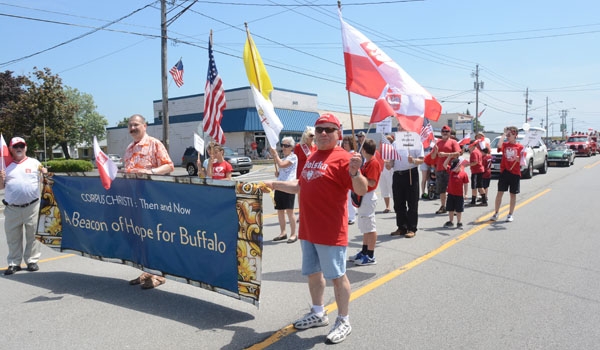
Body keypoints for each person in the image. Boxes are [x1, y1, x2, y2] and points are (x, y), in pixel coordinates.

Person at [263, 113, 367, 344]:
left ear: (338, 133)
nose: (322, 133)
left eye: (329, 129)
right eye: (319, 129)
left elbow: (360, 189)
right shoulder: (312, 156)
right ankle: (318, 312)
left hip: (330, 231)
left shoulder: (345, 158)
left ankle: (343, 320)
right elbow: (301, 185)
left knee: (337, 277)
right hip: (308, 229)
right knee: (313, 274)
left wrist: (355, 171)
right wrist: (274, 184)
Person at [124, 114, 175, 289]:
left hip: (152, 200)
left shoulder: (154, 143)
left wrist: (151, 173)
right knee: (140, 236)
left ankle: (158, 275)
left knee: (154, 236)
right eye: (130, 125)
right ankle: (147, 270)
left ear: (144, 126)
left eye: (136, 125)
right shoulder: (129, 148)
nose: (132, 128)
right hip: (133, 200)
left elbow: (169, 165)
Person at [1, 137, 47, 275]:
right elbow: (1, 187)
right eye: (15, 146)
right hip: (12, 208)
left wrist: (45, 174)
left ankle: (32, 261)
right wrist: (0, 178)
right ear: (10, 149)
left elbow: (46, 181)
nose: (19, 148)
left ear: (26, 147)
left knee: (33, 235)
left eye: (21, 145)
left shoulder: (34, 163)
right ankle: (14, 263)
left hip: (32, 206)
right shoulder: (4, 165)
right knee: (13, 237)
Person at [349, 138, 382, 266]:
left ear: (364, 150)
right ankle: (364, 251)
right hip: (364, 195)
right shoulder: (367, 162)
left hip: (368, 195)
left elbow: (372, 182)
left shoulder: (373, 163)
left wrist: (359, 177)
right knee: (364, 226)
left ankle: (371, 255)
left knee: (370, 226)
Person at [389, 131, 425, 239]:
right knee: (398, 203)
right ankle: (401, 227)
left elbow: (421, 160)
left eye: (403, 126)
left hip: (410, 173)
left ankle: (411, 228)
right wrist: (388, 164)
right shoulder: (395, 143)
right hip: (397, 175)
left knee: (412, 202)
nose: (401, 128)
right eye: (400, 126)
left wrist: (413, 160)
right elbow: (391, 161)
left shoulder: (416, 141)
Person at [491, 126, 524, 222]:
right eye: (507, 134)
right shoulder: (505, 145)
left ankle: (510, 214)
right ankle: (496, 213)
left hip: (515, 173)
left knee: (513, 194)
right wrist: (504, 134)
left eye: (510, 134)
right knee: (499, 193)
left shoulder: (520, 147)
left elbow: (523, 161)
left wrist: (519, 159)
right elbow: (498, 146)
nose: (508, 136)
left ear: (515, 135)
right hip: (505, 172)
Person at [270, 137, 298, 243]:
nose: (284, 147)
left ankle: (293, 234)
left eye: (286, 146)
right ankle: (283, 232)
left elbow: (282, 165)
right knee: (280, 210)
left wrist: (275, 154)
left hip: (289, 185)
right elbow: (282, 168)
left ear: (291, 147)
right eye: (282, 145)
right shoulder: (284, 157)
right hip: (280, 185)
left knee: (289, 211)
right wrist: (278, 173)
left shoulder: (293, 157)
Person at [430, 125, 461, 215]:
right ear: (441, 132)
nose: (445, 132)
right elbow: (432, 156)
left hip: (450, 169)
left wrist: (445, 154)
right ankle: (443, 206)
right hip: (440, 169)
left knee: (452, 189)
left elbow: (457, 154)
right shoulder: (438, 143)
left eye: (447, 131)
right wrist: (435, 151)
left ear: (449, 133)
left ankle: (454, 208)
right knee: (442, 190)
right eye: (443, 131)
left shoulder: (453, 142)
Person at [442, 157, 469, 229]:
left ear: (459, 166)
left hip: (459, 195)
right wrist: (449, 156)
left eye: (455, 168)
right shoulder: (451, 171)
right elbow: (444, 165)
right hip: (451, 193)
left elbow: (466, 184)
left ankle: (459, 222)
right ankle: (451, 221)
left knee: (459, 209)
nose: (453, 169)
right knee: (450, 209)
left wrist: (466, 194)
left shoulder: (463, 174)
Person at [342, 135, 358, 225]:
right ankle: (348, 216)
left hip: (351, 179)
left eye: (347, 143)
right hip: (345, 179)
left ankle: (352, 217)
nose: (345, 144)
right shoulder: (345, 153)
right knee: (346, 199)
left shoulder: (352, 154)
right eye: (344, 143)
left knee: (350, 199)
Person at [466, 139, 486, 206]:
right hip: (478, 170)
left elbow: (475, 162)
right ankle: (484, 200)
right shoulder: (477, 151)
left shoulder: (474, 152)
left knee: (475, 186)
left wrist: (467, 164)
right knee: (479, 186)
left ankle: (474, 201)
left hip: (476, 171)